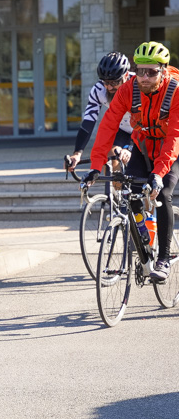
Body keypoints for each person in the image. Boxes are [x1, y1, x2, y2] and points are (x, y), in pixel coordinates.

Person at [84, 41, 179, 281]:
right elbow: (107, 127)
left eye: (152, 72)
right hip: (144, 144)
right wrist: (96, 166)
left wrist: (158, 173)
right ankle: (144, 242)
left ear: (164, 70)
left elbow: (174, 137)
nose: (144, 77)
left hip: (172, 149)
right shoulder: (129, 89)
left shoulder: (176, 90)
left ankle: (164, 259)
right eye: (140, 71)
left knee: (163, 192)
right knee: (133, 193)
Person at [65, 52, 135, 172]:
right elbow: (88, 122)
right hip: (122, 128)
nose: (109, 87)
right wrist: (77, 153)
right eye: (106, 82)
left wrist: (130, 148)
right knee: (113, 155)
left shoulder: (138, 85)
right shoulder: (98, 90)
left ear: (126, 75)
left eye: (114, 82)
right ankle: (120, 190)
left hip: (142, 129)